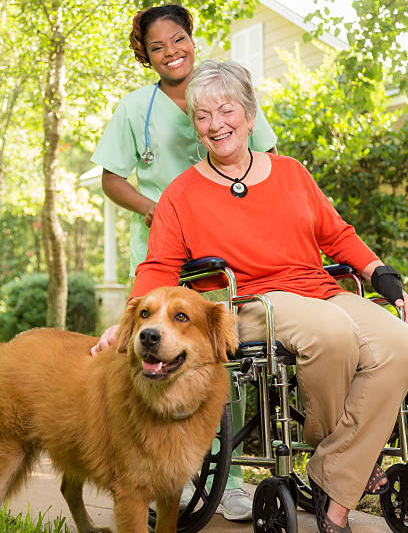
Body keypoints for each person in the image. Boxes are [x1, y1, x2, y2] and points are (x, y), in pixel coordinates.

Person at [98, 59, 408, 533]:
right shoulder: (181, 194)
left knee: (397, 341)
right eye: (202, 116)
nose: (215, 125)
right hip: (247, 302)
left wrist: (381, 274)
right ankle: (344, 477)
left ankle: (336, 479)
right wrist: (128, 324)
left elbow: (337, 234)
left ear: (249, 114)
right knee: (332, 334)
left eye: (226, 111)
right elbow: (159, 266)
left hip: (317, 289)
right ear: (195, 127)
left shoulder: (291, 173)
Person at [91, 5, 278, 521]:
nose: (171, 52)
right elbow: (112, 177)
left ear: (192, 40)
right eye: (158, 46)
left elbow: (265, 159)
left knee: (223, 357)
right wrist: (153, 208)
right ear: (145, 54)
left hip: (225, 253)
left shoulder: (222, 95)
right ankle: (148, 466)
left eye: (179, 40)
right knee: (149, 362)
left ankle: (232, 476)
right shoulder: (135, 109)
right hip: (165, 254)